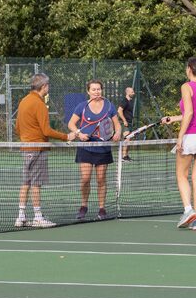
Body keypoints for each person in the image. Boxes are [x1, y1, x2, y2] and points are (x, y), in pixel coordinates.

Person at [15, 73, 81, 228]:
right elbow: (46, 130)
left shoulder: (23, 101)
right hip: (37, 149)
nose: (48, 88)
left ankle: (21, 216)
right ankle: (38, 217)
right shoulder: (39, 104)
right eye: (48, 85)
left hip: (26, 148)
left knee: (26, 183)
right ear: (43, 86)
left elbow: (18, 127)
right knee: (36, 184)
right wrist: (67, 136)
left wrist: (28, 138)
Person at [159, 57, 196, 231]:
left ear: (189, 69)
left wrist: (180, 137)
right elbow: (193, 113)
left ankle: (188, 210)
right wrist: (173, 119)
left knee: (181, 176)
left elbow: (190, 113)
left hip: (192, 136)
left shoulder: (186, 86)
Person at [67, 79, 121, 220]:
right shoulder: (82, 106)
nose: (97, 92)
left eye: (99, 89)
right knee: (85, 179)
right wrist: (79, 133)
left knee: (101, 179)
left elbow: (117, 125)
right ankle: (83, 206)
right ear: (88, 91)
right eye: (94, 89)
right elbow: (71, 124)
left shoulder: (109, 106)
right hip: (86, 148)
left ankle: (102, 208)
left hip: (103, 147)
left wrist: (117, 133)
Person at [117, 87, 136, 162]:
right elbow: (119, 110)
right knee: (127, 138)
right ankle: (123, 156)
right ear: (128, 92)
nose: (133, 93)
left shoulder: (131, 101)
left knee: (129, 139)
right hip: (124, 123)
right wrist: (124, 120)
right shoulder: (124, 101)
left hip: (129, 123)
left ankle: (126, 155)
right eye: (132, 92)